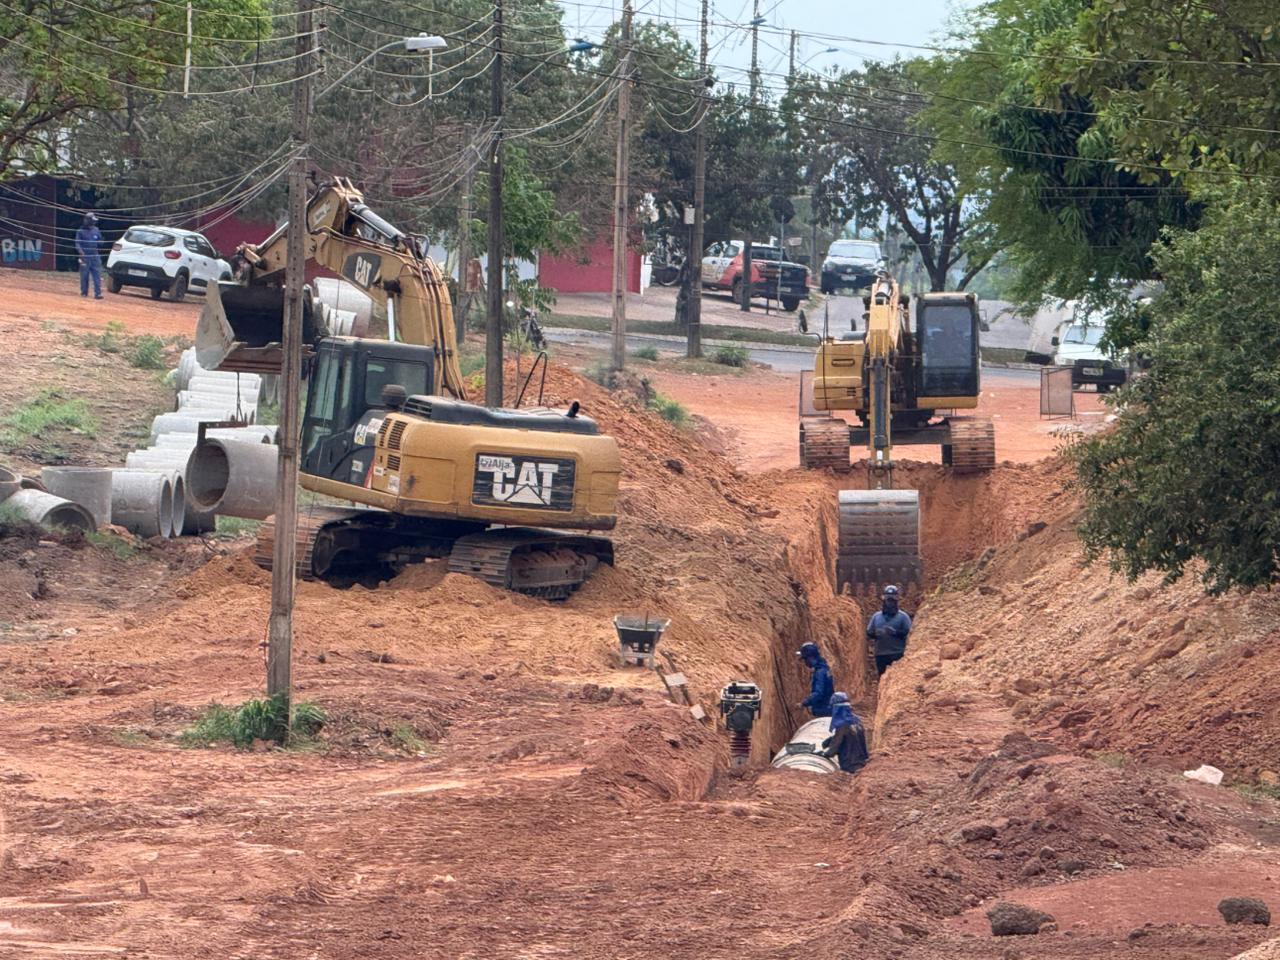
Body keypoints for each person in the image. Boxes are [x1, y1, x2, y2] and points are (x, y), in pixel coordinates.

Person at [867, 584, 912, 677]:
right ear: (884, 601)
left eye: (892, 601)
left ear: (896, 601)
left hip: (897, 654)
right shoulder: (876, 617)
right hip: (881, 654)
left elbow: (909, 633)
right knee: (882, 677)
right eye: (888, 600)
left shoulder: (903, 617)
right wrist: (875, 634)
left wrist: (895, 633)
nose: (890, 603)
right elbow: (869, 632)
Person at [821, 691, 869, 774]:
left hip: (850, 765)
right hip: (861, 761)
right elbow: (848, 736)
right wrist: (829, 741)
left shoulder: (842, 725)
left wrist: (825, 754)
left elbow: (835, 747)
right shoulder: (856, 720)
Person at [796, 641, 834, 718]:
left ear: (810, 657)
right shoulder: (825, 669)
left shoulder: (820, 673)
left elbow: (818, 693)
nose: (805, 663)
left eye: (805, 659)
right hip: (828, 709)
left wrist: (804, 703)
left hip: (823, 710)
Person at [75, 213, 104, 299]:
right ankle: (84, 292)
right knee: (84, 275)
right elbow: (77, 243)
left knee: (97, 275)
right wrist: (81, 252)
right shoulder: (80, 231)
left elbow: (100, 241)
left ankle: (98, 293)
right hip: (85, 256)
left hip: (95, 256)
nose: (94, 223)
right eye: (92, 221)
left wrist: (101, 242)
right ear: (88, 221)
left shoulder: (96, 230)